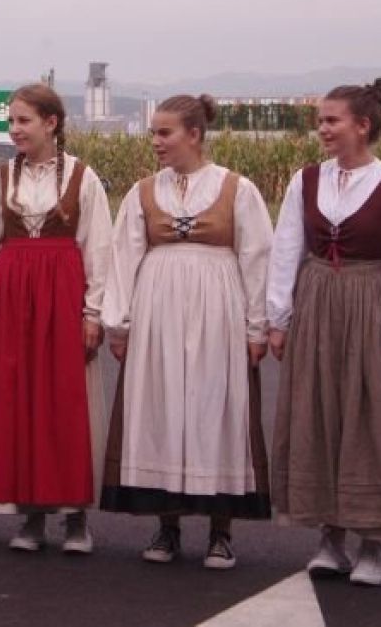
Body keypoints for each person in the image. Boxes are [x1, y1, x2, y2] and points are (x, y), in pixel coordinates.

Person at [267, 78, 381, 587]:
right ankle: (330, 539)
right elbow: (287, 248)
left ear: (362, 125)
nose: (322, 129)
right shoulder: (306, 181)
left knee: (370, 419)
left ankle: (372, 544)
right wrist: (279, 317)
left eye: (331, 120)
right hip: (318, 302)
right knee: (319, 413)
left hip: (369, 305)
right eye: (321, 120)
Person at [101, 95, 273, 570]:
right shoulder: (142, 192)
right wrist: (120, 324)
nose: (156, 142)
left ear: (194, 134)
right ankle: (168, 527)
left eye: (165, 133)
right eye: (153, 133)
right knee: (163, 409)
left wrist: (256, 326)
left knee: (216, 408)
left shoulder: (237, 189)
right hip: (158, 313)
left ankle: (221, 532)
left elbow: (257, 259)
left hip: (219, 311)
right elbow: (123, 258)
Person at [0, 83, 111, 553]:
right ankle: (32, 515)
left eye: (23, 120)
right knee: (19, 402)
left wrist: (93, 313)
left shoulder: (83, 177)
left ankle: (76, 517)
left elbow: (99, 248)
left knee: (67, 402)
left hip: (63, 299)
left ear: (51, 123)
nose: (15, 129)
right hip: (13, 302)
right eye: (12, 121)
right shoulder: (2, 178)